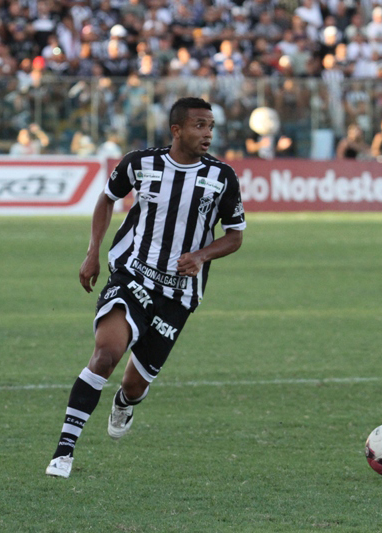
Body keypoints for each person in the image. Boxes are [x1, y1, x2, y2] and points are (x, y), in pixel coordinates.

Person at [45, 97, 245, 478]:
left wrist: (202, 255)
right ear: (177, 130)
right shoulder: (140, 163)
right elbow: (107, 199)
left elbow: (235, 235)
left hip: (179, 294)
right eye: (200, 126)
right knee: (106, 354)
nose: (208, 134)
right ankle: (64, 452)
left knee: (134, 383)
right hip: (133, 274)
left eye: (211, 127)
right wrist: (93, 253)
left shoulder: (223, 177)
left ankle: (125, 401)